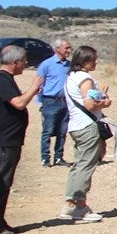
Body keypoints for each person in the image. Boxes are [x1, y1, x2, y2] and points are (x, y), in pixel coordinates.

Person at [0, 45, 43, 234]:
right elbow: (18, 103)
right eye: (24, 61)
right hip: (3, 141)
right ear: (15, 62)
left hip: (9, 141)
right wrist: (33, 88)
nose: (26, 64)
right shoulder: (1, 79)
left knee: (5, 183)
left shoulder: (5, 79)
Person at [59, 45, 110, 223]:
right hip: (87, 125)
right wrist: (105, 102)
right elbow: (89, 104)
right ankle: (78, 204)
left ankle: (72, 203)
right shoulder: (85, 78)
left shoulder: (71, 77)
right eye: (93, 59)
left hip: (76, 125)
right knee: (86, 165)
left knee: (79, 164)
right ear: (85, 61)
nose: (96, 62)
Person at [36, 37, 72, 166]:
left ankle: (59, 157)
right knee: (48, 130)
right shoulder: (46, 64)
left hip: (65, 102)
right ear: (57, 49)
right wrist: (41, 102)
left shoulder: (69, 65)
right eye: (66, 47)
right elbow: (38, 84)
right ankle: (45, 157)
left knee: (62, 131)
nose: (69, 50)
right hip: (50, 101)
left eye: (69, 48)